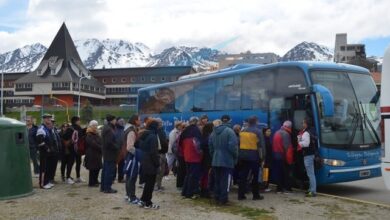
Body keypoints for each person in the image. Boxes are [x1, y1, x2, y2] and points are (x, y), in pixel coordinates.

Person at [209, 115, 238, 205]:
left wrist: (214, 156)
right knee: (226, 180)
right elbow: (233, 147)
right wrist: (235, 157)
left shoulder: (212, 133)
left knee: (217, 180)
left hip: (215, 160)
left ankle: (217, 197)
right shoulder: (230, 131)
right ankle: (223, 199)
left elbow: (211, 148)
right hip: (227, 160)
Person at [237, 116, 265, 200]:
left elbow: (238, 143)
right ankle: (255, 195)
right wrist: (263, 157)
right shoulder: (258, 132)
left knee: (243, 176)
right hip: (254, 156)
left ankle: (241, 195)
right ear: (256, 122)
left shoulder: (242, 131)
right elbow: (261, 146)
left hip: (242, 156)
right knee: (255, 176)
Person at [138, 119, 160, 209]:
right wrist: (157, 163)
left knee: (147, 183)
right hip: (151, 162)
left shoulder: (144, 135)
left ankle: (143, 200)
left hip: (144, 161)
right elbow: (153, 152)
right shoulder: (153, 136)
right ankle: (148, 203)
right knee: (150, 184)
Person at [180, 116, 202, 199]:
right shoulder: (196, 131)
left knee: (188, 174)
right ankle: (190, 192)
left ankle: (184, 192)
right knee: (193, 175)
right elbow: (198, 145)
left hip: (186, 156)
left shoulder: (185, 131)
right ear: (196, 122)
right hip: (195, 157)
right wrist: (201, 153)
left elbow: (180, 144)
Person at [36, 114, 58, 189]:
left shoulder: (48, 128)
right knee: (43, 168)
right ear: (44, 119)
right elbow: (39, 140)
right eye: (47, 118)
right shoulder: (41, 128)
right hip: (44, 152)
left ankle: (47, 181)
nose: (49, 119)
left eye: (50, 118)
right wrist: (46, 148)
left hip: (50, 152)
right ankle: (42, 184)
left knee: (48, 168)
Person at [272, 120, 294, 194]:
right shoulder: (286, 134)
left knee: (279, 173)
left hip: (276, 155)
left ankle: (279, 189)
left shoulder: (277, 132)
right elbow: (287, 148)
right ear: (289, 127)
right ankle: (286, 189)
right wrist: (289, 160)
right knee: (285, 173)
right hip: (282, 156)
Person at [124, 114, 142, 204]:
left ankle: (128, 195)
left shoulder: (132, 129)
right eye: (139, 120)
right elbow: (130, 147)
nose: (140, 121)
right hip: (132, 157)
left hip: (130, 157)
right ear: (135, 121)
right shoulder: (131, 131)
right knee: (132, 176)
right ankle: (132, 197)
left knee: (129, 176)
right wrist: (139, 154)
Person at [298, 118, 317, 197]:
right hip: (311, 154)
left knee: (310, 174)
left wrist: (299, 141)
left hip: (308, 155)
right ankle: (310, 189)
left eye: (303, 123)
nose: (302, 125)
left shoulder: (306, 133)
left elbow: (306, 144)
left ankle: (312, 191)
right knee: (311, 173)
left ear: (306, 124)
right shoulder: (312, 130)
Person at [101, 114, 119, 193]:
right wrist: (117, 147)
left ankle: (103, 187)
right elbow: (109, 142)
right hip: (110, 153)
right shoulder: (109, 129)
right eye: (115, 120)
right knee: (109, 171)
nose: (116, 121)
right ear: (112, 120)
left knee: (105, 170)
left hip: (107, 153)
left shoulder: (107, 127)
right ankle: (107, 188)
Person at [85, 120, 103, 187]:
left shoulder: (97, 133)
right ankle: (91, 182)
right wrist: (101, 147)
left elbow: (100, 141)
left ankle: (95, 180)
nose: (95, 127)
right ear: (91, 126)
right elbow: (92, 144)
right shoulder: (89, 134)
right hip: (91, 154)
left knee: (97, 168)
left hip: (97, 154)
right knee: (92, 169)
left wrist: (101, 146)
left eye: (96, 125)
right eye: (94, 125)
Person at [200, 122, 214, 198]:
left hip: (203, 158)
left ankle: (202, 189)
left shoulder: (202, 136)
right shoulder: (209, 137)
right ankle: (206, 191)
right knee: (207, 175)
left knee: (204, 175)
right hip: (208, 158)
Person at [155, 118, 168, 191]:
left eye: (161, 122)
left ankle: (159, 185)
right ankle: (156, 185)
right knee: (158, 171)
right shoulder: (155, 131)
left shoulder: (162, 131)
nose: (160, 123)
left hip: (163, 152)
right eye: (159, 122)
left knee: (162, 171)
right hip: (158, 153)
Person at [71, 116, 86, 183]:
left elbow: (81, 134)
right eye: (78, 120)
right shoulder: (72, 128)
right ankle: (67, 176)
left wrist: (85, 130)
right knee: (70, 162)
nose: (80, 121)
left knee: (78, 162)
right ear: (75, 121)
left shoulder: (78, 127)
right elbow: (78, 136)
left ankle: (78, 176)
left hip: (78, 148)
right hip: (73, 148)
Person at [115, 117, 126, 183]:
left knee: (121, 164)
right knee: (115, 164)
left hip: (122, 149)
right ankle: (113, 177)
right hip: (117, 149)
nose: (122, 122)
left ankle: (120, 178)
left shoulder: (123, 129)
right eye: (121, 121)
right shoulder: (115, 129)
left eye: (123, 121)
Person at [262, 128, 273, 192]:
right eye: (268, 131)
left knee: (266, 172)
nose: (269, 132)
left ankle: (265, 186)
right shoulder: (265, 139)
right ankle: (264, 186)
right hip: (266, 159)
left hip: (268, 159)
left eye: (270, 131)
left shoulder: (267, 139)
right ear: (264, 132)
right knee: (266, 173)